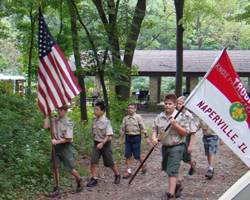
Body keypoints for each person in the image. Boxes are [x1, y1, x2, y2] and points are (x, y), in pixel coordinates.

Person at [152, 93, 190, 200]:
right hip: (165, 146)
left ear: (175, 104)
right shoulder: (161, 116)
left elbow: (186, 133)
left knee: (172, 170)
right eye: (166, 104)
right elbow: (154, 128)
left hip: (177, 146)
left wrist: (175, 125)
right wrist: (154, 138)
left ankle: (170, 194)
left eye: (170, 104)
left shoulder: (180, 117)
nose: (167, 106)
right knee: (167, 168)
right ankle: (178, 185)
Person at [43, 104, 84, 198]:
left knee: (69, 168)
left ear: (66, 110)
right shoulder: (55, 120)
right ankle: (56, 188)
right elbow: (46, 126)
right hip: (56, 147)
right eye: (58, 109)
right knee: (55, 167)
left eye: (61, 110)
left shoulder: (69, 122)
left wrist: (56, 141)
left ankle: (79, 179)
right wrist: (48, 115)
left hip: (65, 146)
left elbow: (69, 138)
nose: (59, 111)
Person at [86, 102, 120, 187]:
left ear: (102, 111)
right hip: (96, 143)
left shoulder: (106, 121)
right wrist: (98, 143)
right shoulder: (94, 120)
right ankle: (94, 178)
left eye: (97, 109)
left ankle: (117, 174)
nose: (95, 111)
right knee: (93, 161)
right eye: (94, 109)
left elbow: (108, 134)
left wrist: (103, 143)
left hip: (105, 144)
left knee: (110, 162)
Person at [119, 102, 150, 179]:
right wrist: (120, 140)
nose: (130, 109)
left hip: (136, 137)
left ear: (135, 109)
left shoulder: (138, 117)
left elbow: (143, 127)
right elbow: (123, 130)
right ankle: (129, 171)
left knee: (137, 155)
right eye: (129, 108)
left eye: (132, 108)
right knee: (127, 154)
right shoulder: (126, 118)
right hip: (128, 137)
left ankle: (143, 163)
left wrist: (147, 138)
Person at [175, 96, 197, 198]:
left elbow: (192, 132)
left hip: (186, 139)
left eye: (180, 104)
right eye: (177, 104)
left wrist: (191, 145)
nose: (178, 105)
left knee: (187, 158)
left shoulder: (189, 116)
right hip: (178, 139)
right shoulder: (175, 114)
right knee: (178, 160)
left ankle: (192, 165)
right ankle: (178, 183)